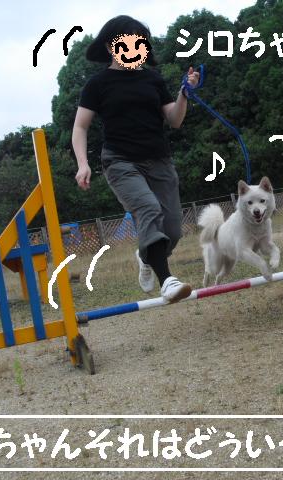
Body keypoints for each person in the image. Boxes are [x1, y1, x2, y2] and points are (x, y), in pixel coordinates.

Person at [72, 15, 199, 303]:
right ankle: (167, 281)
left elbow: (174, 120)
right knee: (148, 208)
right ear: (111, 46)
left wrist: (184, 93)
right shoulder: (97, 84)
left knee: (173, 228)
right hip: (120, 162)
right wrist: (83, 163)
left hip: (159, 160)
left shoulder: (152, 78)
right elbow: (80, 127)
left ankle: (146, 257)